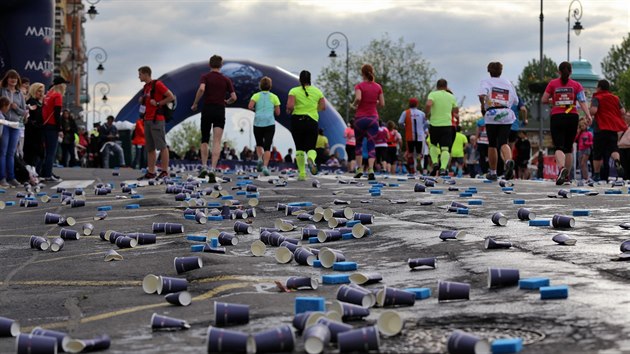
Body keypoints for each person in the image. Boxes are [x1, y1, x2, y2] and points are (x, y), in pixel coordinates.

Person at [542, 61, 593, 185]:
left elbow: (544, 99)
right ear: (571, 72)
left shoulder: (553, 84)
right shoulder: (577, 85)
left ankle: (561, 169)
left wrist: (553, 100)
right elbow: (582, 101)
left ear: (559, 72)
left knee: (559, 147)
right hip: (572, 117)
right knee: (568, 148)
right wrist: (588, 115)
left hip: (557, 116)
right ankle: (566, 178)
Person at [191, 55, 237, 182]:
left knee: (205, 139)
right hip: (219, 110)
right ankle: (213, 169)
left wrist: (195, 103)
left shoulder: (205, 77)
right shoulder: (226, 79)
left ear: (209, 65)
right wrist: (226, 101)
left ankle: (204, 166)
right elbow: (234, 97)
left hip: (207, 109)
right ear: (221, 65)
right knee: (217, 141)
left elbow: (201, 89)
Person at [478, 61, 519, 181]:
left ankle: (493, 172)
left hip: (492, 113)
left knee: (492, 144)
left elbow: (481, 95)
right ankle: (508, 161)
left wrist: (482, 106)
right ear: (501, 71)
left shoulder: (485, 81)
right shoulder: (508, 83)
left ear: (489, 71)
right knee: (503, 142)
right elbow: (516, 101)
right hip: (506, 113)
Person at [137, 66, 175, 180]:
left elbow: (171, 96)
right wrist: (142, 100)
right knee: (150, 148)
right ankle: (151, 171)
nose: (138, 76)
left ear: (146, 74)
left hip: (157, 119)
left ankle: (164, 171)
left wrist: (158, 103)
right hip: (147, 119)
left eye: (140, 74)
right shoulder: (146, 87)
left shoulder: (157, 84)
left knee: (162, 146)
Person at [286, 70, 325, 181]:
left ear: (300, 79)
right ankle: (311, 159)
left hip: (297, 121)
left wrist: (288, 110)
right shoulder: (317, 91)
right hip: (311, 121)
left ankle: (302, 174)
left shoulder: (293, 91)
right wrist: (313, 109)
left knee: (299, 147)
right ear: (310, 79)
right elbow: (323, 107)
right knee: (311, 147)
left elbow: (290, 106)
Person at [589, 79, 627, 182]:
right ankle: (617, 161)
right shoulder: (615, 98)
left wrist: (589, 112)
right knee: (613, 148)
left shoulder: (597, 97)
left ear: (599, 87)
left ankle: (596, 175)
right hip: (612, 128)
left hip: (600, 128)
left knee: (597, 153)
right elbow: (623, 111)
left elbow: (594, 110)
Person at [351, 64, 385, 180]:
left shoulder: (359, 86)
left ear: (362, 73)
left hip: (360, 119)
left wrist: (354, 104)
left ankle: (359, 169)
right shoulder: (378, 87)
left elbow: (358, 98)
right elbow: (382, 104)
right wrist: (373, 105)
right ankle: (371, 169)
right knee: (371, 144)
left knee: (359, 144)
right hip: (373, 119)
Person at [425, 79, 458, 176]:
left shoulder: (433, 94)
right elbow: (456, 110)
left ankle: (435, 163)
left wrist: (427, 113)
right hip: (447, 125)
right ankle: (443, 168)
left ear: (437, 86)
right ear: (446, 86)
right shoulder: (451, 96)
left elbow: (428, 104)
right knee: (445, 149)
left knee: (433, 145)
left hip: (434, 124)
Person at [248, 76, 280, 176]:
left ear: (260, 86)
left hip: (258, 122)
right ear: (270, 86)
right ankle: (265, 167)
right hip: (269, 123)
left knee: (259, 144)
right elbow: (278, 113)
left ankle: (259, 158)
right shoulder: (274, 97)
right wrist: (272, 110)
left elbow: (250, 106)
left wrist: (256, 110)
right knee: (267, 146)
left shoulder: (255, 96)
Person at [0, 70, 27, 187]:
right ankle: (2, 178)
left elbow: (24, 112)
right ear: (7, 79)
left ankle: (12, 178)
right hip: (4, 123)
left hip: (15, 125)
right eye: (11, 78)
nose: (13, 80)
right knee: (3, 152)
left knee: (11, 153)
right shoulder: (2, 91)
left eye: (15, 78)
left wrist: (15, 108)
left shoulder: (19, 94)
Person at [41, 77, 67, 182]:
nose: (66, 86)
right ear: (61, 85)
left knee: (46, 152)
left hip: (45, 125)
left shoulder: (48, 95)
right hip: (52, 126)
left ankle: (46, 172)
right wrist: (60, 128)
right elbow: (57, 114)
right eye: (65, 84)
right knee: (51, 152)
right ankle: (47, 174)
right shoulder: (57, 96)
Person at [398, 97, 428, 174]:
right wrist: (423, 129)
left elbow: (400, 122)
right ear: (417, 104)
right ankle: (418, 162)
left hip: (409, 135)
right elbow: (427, 123)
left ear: (409, 104)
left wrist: (405, 127)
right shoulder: (421, 113)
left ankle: (412, 169)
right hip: (420, 136)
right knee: (419, 153)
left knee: (410, 153)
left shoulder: (406, 112)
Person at [24, 82, 45, 172]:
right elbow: (30, 117)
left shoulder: (38, 102)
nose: (41, 93)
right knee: (32, 153)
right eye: (38, 91)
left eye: (42, 91)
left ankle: (34, 171)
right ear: (34, 91)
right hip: (32, 131)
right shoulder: (31, 102)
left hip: (38, 130)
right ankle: (31, 173)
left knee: (38, 153)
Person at [575, 118, 593, 184]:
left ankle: (586, 177)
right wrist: (578, 132)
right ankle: (583, 177)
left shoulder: (589, 133)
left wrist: (586, 143)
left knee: (583, 163)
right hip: (580, 149)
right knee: (581, 164)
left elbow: (591, 142)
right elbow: (575, 139)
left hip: (586, 149)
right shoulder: (579, 134)